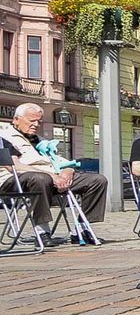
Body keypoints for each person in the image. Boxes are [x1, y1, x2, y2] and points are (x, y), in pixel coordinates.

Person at [0, 103, 110, 245]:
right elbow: (13, 166)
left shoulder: (41, 140)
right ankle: (42, 231)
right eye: (31, 121)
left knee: (97, 180)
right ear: (16, 119)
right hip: (15, 179)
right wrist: (52, 176)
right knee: (40, 178)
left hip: (52, 177)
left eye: (39, 121)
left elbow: (62, 161)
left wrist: (67, 172)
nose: (36, 124)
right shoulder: (5, 137)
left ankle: (82, 228)